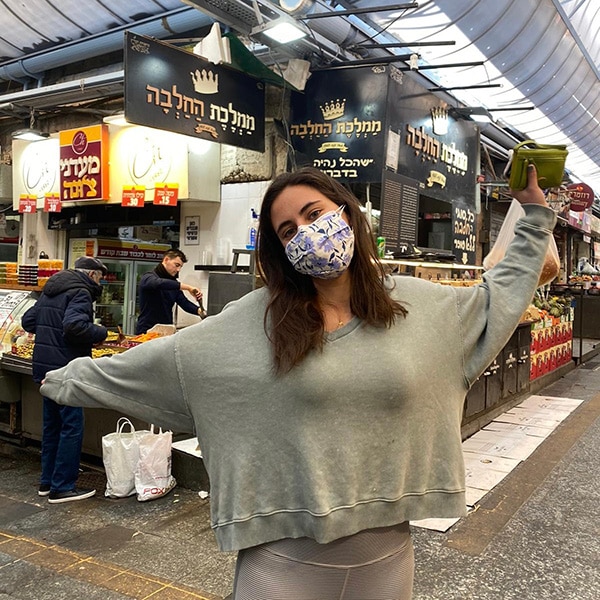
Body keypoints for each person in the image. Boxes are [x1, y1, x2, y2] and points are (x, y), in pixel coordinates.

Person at [40, 164, 555, 598]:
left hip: (389, 564)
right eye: (288, 230)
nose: (306, 232)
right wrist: (61, 374)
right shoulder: (251, 324)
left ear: (347, 214)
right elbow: (165, 361)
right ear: (279, 248)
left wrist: (534, 213)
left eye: (314, 215)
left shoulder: (422, 308)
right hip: (282, 567)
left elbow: (500, 295)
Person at [22, 256, 109, 504]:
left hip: (45, 370)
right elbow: (74, 326)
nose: (100, 282)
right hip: (67, 370)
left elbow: (28, 321)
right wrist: (100, 332)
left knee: (52, 427)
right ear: (92, 275)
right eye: (100, 277)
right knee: (71, 427)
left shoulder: (51, 290)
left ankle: (47, 482)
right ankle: (63, 487)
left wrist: (50, 329)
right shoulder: (80, 292)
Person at [135, 249, 206, 334]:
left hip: (165, 332)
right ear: (166, 260)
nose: (178, 269)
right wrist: (188, 287)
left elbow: (184, 303)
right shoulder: (148, 277)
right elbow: (159, 284)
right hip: (146, 331)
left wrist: (199, 311)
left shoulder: (173, 283)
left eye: (180, 267)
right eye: (176, 265)